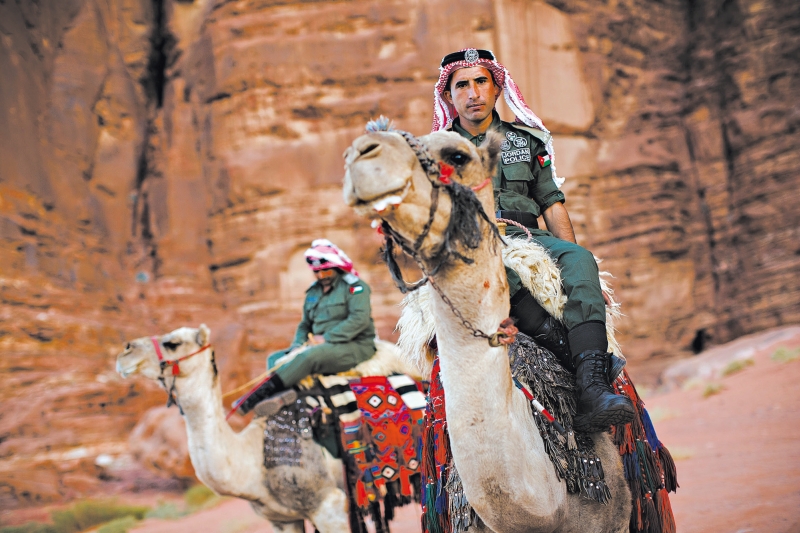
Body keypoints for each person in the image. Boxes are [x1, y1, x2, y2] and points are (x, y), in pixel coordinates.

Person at [432, 48, 634, 431]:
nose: (473, 92)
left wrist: (574, 257)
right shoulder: (436, 152)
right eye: (462, 85)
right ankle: (559, 344)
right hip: (475, 240)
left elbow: (552, 204)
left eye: (481, 82)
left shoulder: (526, 140)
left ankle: (592, 387)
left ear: (496, 89)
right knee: (488, 271)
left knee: (580, 259)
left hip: (532, 234)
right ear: (448, 95)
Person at [234, 239, 377, 416]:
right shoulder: (313, 291)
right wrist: (296, 346)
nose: (322, 275)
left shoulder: (355, 287)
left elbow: (359, 320)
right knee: (275, 358)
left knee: (309, 357)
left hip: (354, 346)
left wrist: (326, 338)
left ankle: (254, 399)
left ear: (336, 266)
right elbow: (304, 325)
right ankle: (285, 398)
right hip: (320, 346)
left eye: (326, 270)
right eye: (317, 272)